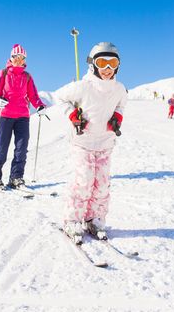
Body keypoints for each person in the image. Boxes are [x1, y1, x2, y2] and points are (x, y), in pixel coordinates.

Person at [57, 42, 127, 243]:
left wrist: (117, 117)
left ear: (118, 66)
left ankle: (94, 219)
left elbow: (122, 105)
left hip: (105, 142)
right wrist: (72, 114)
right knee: (84, 181)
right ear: (93, 65)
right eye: (102, 62)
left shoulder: (119, 89)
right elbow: (60, 97)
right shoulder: (82, 86)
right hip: (83, 141)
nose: (107, 69)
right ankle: (72, 219)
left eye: (112, 63)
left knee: (102, 184)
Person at [0, 44, 46, 189]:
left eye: (22, 58)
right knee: (1, 148)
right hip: (5, 115)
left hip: (22, 117)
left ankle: (16, 178)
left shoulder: (27, 76)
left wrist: (39, 105)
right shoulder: (3, 73)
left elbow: (33, 95)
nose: (19, 60)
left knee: (21, 148)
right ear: (11, 58)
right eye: (16, 57)